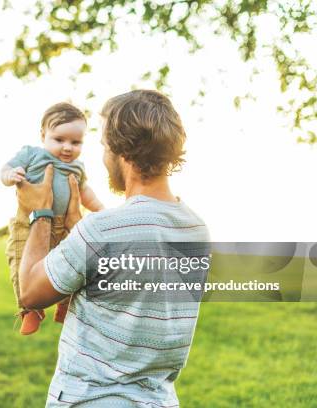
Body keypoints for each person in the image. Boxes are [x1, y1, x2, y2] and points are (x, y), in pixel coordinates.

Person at [16, 90, 210, 407]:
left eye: (105, 147)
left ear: (123, 153)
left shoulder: (102, 229)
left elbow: (31, 293)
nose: (104, 157)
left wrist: (39, 213)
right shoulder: (196, 230)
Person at [1, 102, 104, 335]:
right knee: (20, 263)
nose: (67, 148)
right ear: (43, 135)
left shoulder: (77, 167)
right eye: (59, 140)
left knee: (71, 266)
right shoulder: (32, 154)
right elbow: (5, 169)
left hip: (64, 228)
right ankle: (29, 309)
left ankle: (65, 305)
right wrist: (10, 175)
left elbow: (85, 192)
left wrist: (99, 209)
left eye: (75, 142)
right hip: (28, 225)